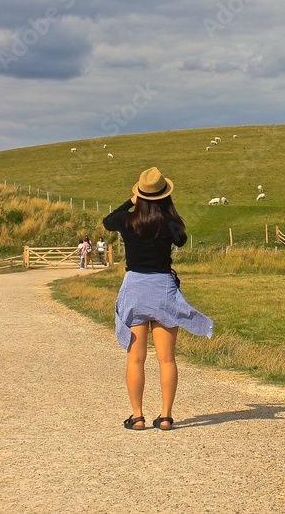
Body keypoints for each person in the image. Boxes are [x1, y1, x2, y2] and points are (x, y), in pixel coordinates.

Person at [103, 167, 213, 431]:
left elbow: (108, 220)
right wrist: (165, 210)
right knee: (167, 359)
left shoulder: (127, 221)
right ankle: (165, 416)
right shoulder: (169, 223)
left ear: (139, 195)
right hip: (162, 288)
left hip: (135, 289)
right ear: (164, 195)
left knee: (136, 359)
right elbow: (182, 241)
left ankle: (138, 416)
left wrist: (132, 202)